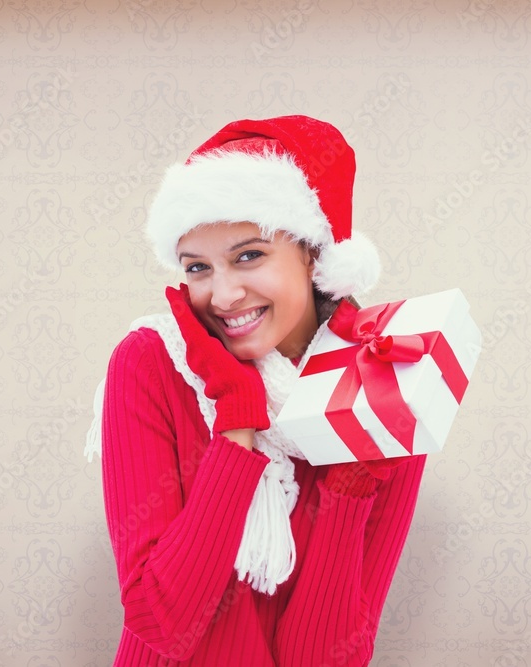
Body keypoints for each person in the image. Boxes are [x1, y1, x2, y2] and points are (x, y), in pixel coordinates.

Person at [87, 116, 428, 666]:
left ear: (313, 253)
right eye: (198, 267)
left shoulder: (386, 381)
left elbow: (324, 657)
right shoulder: (152, 363)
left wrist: (350, 482)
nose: (223, 295)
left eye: (249, 255)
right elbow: (160, 622)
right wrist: (236, 431)